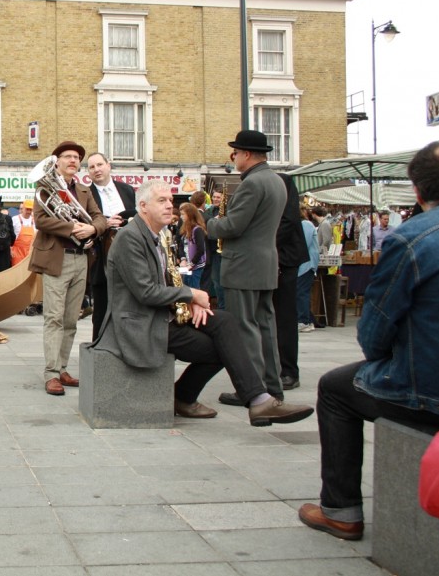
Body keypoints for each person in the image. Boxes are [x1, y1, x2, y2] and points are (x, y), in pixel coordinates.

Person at [298, 140, 439, 542]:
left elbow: (374, 333)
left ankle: (341, 510)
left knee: (335, 389)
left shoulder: (411, 238)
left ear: (418, 191)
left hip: (435, 395)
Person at [91, 181, 314, 426]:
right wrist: (191, 295)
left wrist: (192, 303)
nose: (170, 206)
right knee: (224, 346)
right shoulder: (129, 238)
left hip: (161, 316)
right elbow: (146, 292)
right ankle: (190, 397)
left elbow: (166, 282)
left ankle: (258, 399)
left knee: (228, 323)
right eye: (161, 201)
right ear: (143, 206)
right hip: (139, 324)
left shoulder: (158, 235)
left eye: (170, 200)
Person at [207, 130, 287, 404]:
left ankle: (254, 391)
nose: (234, 158)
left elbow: (232, 226)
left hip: (243, 266)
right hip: (264, 264)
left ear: (247, 154)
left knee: (245, 329)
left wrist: (208, 224)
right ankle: (273, 386)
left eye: (235, 154)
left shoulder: (252, 184)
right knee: (265, 326)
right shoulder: (276, 181)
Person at [29, 141, 107, 396]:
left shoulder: (85, 190)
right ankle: (51, 373)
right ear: (57, 161)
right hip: (56, 258)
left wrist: (92, 228)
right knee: (53, 317)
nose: (73, 161)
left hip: (80, 258)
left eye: (76, 158)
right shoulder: (45, 188)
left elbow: (99, 218)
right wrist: (72, 228)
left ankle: (62, 367)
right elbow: (40, 220)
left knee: (71, 319)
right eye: (68, 157)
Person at [86, 152, 137, 340]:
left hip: (129, 253)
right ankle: (99, 346)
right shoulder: (85, 193)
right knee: (101, 303)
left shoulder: (127, 190)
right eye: (91, 167)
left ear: (109, 165)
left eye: (99, 164)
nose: (96, 169)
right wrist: (105, 223)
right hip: (100, 256)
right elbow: (85, 222)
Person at [273, 174, 309, 392]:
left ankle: (288, 371)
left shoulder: (282, 181)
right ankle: (275, 367)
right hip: (272, 256)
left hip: (285, 258)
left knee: (284, 316)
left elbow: (288, 221)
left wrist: (261, 242)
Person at [296, 207, 320, 336]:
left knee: (301, 293)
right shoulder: (304, 225)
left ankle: (303, 321)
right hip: (303, 265)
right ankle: (306, 319)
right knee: (301, 292)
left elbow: (302, 243)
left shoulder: (305, 225)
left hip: (306, 265)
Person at [177, 202, 207, 290]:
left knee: (194, 289)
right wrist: (183, 259)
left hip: (196, 266)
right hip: (187, 265)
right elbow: (181, 245)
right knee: (186, 287)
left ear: (189, 215)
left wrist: (192, 264)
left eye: (183, 214)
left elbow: (201, 249)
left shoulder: (197, 230)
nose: (181, 217)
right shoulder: (185, 228)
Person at [206, 187, 226, 309]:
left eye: (218, 197)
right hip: (213, 250)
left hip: (224, 251)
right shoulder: (210, 211)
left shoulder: (228, 211)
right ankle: (219, 306)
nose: (215, 199)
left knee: (221, 282)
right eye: (214, 197)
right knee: (215, 281)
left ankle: (223, 307)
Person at [11, 199, 37, 266]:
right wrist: (10, 249)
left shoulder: (34, 221)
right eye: (27, 209)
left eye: (30, 209)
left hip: (30, 252)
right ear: (23, 208)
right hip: (17, 252)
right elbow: (9, 236)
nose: (28, 211)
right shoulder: (15, 219)